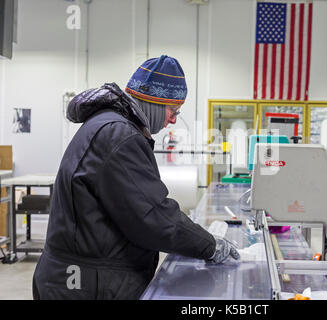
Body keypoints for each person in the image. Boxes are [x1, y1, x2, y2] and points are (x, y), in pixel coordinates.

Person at [32, 55, 240, 300]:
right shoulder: (119, 135)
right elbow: (153, 217)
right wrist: (210, 246)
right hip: (84, 285)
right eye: (173, 110)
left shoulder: (108, 125)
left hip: (79, 278)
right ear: (153, 102)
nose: (173, 119)